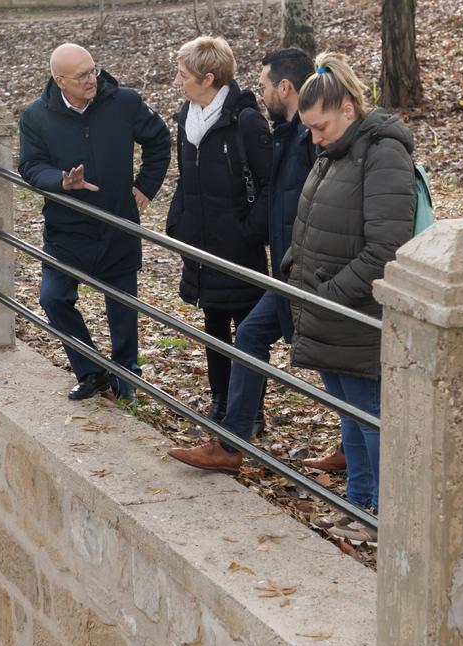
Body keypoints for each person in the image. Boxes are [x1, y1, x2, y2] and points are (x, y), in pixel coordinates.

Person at [168, 48, 333, 473]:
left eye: (264, 84)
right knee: (246, 335)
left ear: (285, 87)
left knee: (335, 366)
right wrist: (180, 223)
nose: (258, 92)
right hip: (283, 265)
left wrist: (249, 233)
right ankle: (232, 435)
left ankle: (360, 463)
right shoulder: (288, 132)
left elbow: (288, 197)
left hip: (302, 269)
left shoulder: (291, 134)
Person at [282, 53, 416, 543]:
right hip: (323, 306)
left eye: (320, 127)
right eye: (309, 129)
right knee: (347, 411)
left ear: (347, 108)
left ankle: (382, 512)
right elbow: (317, 218)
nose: (313, 138)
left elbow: (387, 246)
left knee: (368, 414)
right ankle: (357, 500)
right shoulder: (334, 150)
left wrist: (332, 295)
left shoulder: (382, 153)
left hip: (353, 311)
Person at [18, 43, 171, 400]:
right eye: (82, 75)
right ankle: (91, 371)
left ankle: (126, 379)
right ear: (60, 81)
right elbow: (30, 166)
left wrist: (145, 186)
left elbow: (159, 141)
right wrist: (62, 181)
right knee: (53, 298)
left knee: (122, 309)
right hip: (67, 228)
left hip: (118, 223)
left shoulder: (125, 102)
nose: (93, 80)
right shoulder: (35, 115)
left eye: (94, 70)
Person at [164, 36, 271, 425]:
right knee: (213, 330)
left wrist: (248, 231)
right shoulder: (184, 119)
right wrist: (177, 223)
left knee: (248, 332)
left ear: (209, 78)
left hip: (240, 250)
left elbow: (269, 185)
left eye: (184, 75)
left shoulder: (245, 121)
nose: (179, 82)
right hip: (202, 248)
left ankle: (251, 410)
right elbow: (184, 180)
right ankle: (222, 401)